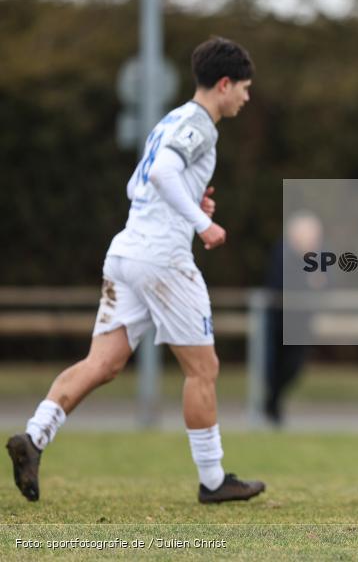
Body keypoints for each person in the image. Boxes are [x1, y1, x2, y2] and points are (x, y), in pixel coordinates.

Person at [6, 37, 265, 504]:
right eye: (243, 88)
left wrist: (190, 197)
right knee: (203, 369)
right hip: (163, 260)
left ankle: (35, 435)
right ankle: (213, 481)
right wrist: (202, 221)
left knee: (102, 364)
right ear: (223, 84)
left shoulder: (168, 120)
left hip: (126, 253)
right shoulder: (201, 125)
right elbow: (164, 173)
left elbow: (141, 181)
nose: (246, 97)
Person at [263, 211, 325, 426]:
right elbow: (281, 284)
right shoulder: (282, 252)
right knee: (272, 367)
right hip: (278, 322)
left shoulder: (319, 256)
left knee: (294, 367)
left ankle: (272, 402)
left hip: (302, 323)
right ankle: (271, 407)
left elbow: (325, 283)